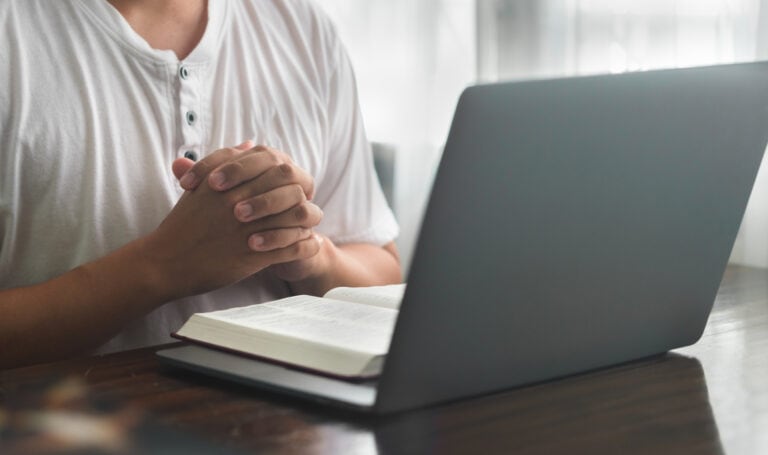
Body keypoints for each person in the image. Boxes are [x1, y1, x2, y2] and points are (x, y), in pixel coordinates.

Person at [0, 0, 401, 369]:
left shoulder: (303, 28)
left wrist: (309, 255)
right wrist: (163, 266)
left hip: (280, 432)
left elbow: (382, 269)